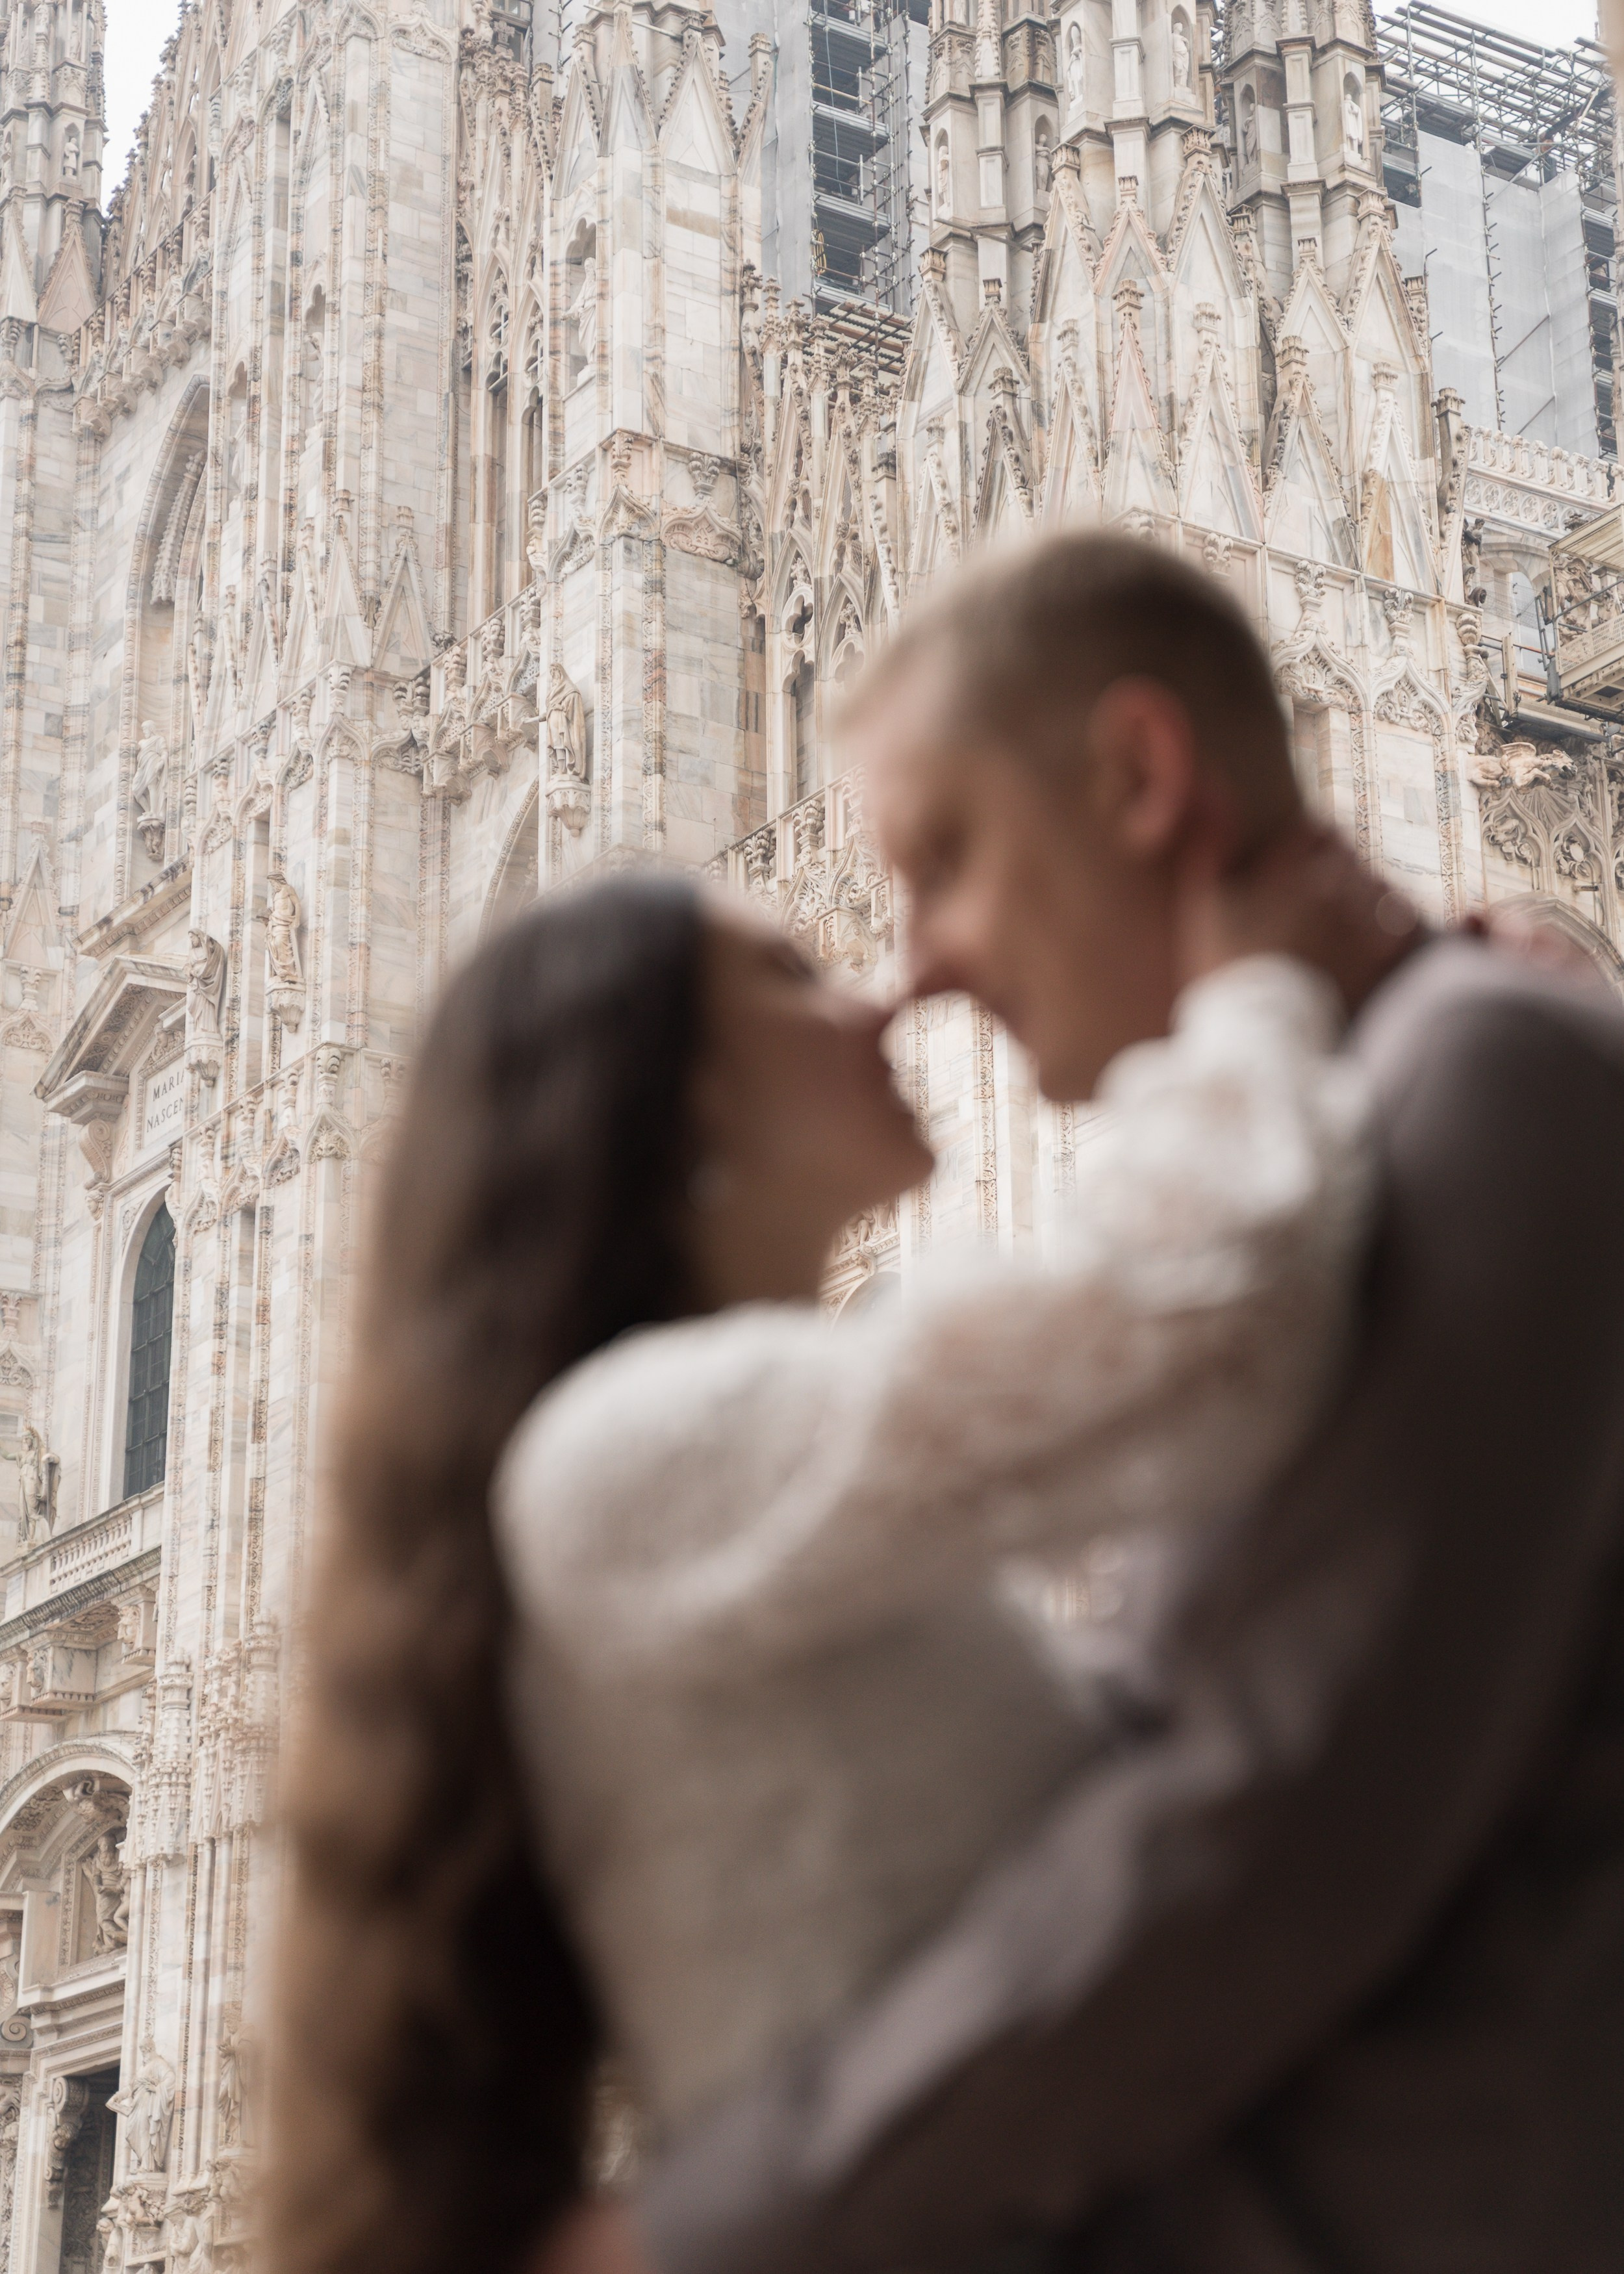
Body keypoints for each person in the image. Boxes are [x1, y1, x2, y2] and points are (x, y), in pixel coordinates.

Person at [633, 535, 1624, 2273]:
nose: (914, 963)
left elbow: (1276, 1812)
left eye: (942, 860)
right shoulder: (1362, 1126)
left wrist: (713, 2217)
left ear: (1140, 779)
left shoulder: (1481, 1075)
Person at [264, 814, 1391, 2274]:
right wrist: (1261, 985)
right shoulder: (625, 1456)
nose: (881, 990)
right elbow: (1205, 1316)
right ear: (682, 1111)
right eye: (795, 974)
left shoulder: (723, 1465)